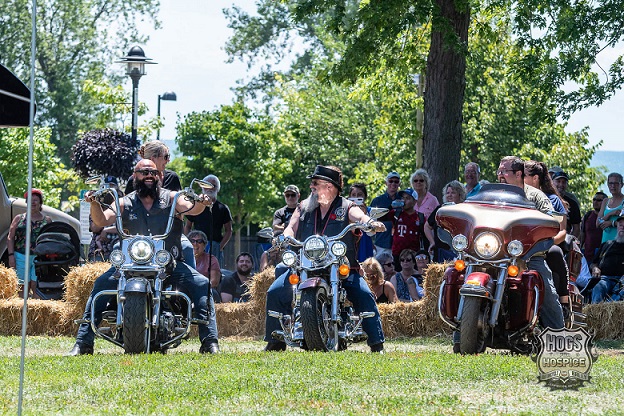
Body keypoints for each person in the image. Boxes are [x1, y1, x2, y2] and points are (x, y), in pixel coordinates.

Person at [67, 159, 220, 355]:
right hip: (129, 264)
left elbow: (192, 208)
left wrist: (201, 202)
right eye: (144, 172)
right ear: (135, 176)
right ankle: (83, 342)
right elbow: (101, 221)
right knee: (101, 284)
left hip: (168, 264)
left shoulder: (173, 198)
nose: (149, 175)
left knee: (202, 284)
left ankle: (209, 341)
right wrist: (94, 203)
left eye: (153, 172)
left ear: (160, 176)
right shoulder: (124, 202)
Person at [264, 165, 386, 352]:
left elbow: (359, 216)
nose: (311, 187)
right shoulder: (304, 207)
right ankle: (275, 342)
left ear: (330, 186)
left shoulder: (346, 207)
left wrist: (370, 222)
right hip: (304, 265)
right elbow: (291, 226)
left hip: (341, 267)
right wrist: (284, 236)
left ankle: (377, 344)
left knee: (363, 294)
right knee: (275, 291)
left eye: (315, 183)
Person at [497, 156, 564, 329]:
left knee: (547, 292)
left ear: (518, 174)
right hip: (496, 253)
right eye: (499, 171)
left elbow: (553, 220)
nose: (500, 175)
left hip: (529, 254)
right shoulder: (493, 195)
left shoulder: (535, 196)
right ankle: (462, 329)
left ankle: (558, 335)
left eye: (504, 171)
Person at [123, 141, 194, 268]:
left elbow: (181, 208)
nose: (168, 160)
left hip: (169, 234)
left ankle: (191, 277)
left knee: (187, 248)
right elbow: (126, 208)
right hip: (138, 237)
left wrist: (196, 204)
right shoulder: (134, 180)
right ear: (153, 158)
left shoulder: (172, 177)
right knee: (117, 248)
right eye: (166, 157)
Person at [524, 161, 570, 303]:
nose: (520, 178)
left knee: (555, 252)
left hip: (545, 245)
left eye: (524, 176)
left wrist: (546, 244)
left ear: (535, 178)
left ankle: (563, 299)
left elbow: (562, 232)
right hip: (519, 246)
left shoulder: (553, 200)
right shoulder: (518, 197)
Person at [6, 189, 52, 299]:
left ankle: (35, 307)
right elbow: (10, 237)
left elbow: (50, 240)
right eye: (30, 200)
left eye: (36, 200)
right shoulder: (19, 218)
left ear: (40, 202)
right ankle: (23, 306)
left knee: (36, 285)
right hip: (21, 256)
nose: (33, 203)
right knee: (22, 285)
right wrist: (11, 256)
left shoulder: (47, 220)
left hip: (39, 258)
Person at [184, 174, 232, 267]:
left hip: (214, 246)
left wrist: (220, 247)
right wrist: (189, 243)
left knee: (215, 272)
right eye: (207, 185)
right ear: (202, 187)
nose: (210, 188)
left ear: (218, 188)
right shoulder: (195, 206)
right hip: (197, 245)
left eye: (213, 185)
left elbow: (229, 230)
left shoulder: (223, 208)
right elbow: (187, 226)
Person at [425, 180, 466, 262]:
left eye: (453, 193)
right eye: (447, 193)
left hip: (459, 252)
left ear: (460, 194)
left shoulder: (465, 210)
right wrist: (432, 242)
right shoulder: (440, 210)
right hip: (440, 252)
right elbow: (427, 226)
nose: (449, 195)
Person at [589, 215, 624, 303]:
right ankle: (596, 311)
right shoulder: (607, 244)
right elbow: (593, 263)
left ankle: (611, 305)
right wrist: (595, 268)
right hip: (605, 279)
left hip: (622, 281)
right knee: (598, 287)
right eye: (620, 225)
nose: (622, 228)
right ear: (617, 227)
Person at [391, 188, 426, 270]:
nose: (404, 201)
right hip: (397, 254)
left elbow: (424, 236)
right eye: (403, 198)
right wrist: (391, 206)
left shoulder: (420, 217)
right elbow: (381, 216)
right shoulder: (396, 213)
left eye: (407, 198)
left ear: (415, 201)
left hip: (413, 254)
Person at [370, 171, 401, 256]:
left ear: (399, 184)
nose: (393, 184)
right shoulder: (377, 201)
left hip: (399, 243)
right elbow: (369, 221)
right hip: (380, 243)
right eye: (391, 181)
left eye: (396, 181)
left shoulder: (403, 200)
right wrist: (370, 242)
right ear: (386, 183)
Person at [188, 230, 222, 303]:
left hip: (204, 292)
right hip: (184, 291)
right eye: (192, 241)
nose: (195, 244)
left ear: (205, 245)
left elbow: (214, 282)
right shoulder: (181, 258)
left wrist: (198, 289)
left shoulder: (211, 259)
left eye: (199, 241)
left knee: (213, 293)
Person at [549, 168, 581, 238]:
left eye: (564, 182)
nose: (561, 184)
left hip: (563, 239)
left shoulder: (572, 203)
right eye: (558, 181)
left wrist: (569, 240)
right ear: (552, 182)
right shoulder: (544, 198)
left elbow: (576, 228)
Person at [348, 183, 374, 262]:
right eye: (353, 195)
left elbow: (371, 233)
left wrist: (365, 215)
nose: (356, 197)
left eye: (359, 195)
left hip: (364, 244)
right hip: (349, 243)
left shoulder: (370, 211)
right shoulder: (344, 211)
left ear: (364, 197)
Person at [596, 172, 624, 244]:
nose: (613, 186)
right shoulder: (605, 201)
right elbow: (597, 223)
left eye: (616, 183)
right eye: (610, 183)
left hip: (620, 243)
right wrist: (610, 214)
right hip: (606, 243)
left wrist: (612, 223)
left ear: (622, 185)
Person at [580, 191, 607, 263]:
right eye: (594, 200)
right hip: (587, 255)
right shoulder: (588, 215)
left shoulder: (607, 216)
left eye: (599, 200)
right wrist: (579, 249)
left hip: (602, 256)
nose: (595, 202)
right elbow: (582, 234)